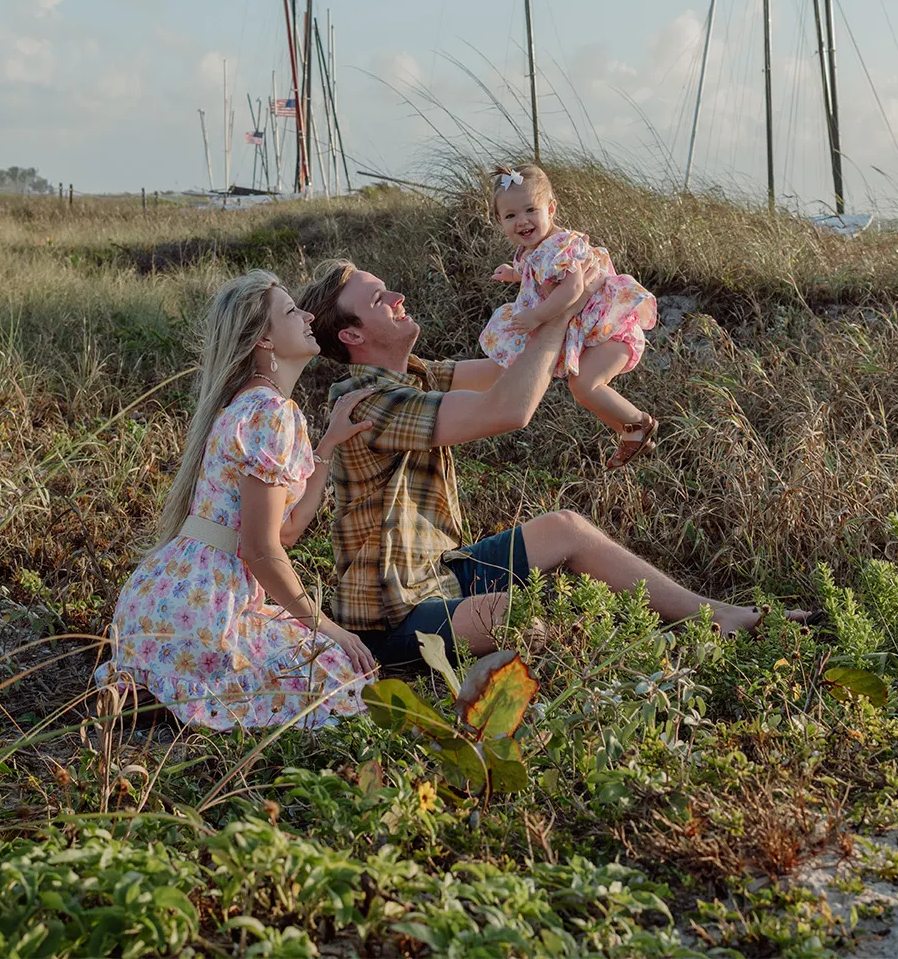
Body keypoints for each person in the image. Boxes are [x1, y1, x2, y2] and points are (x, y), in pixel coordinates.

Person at [294, 257, 807, 671]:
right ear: (353, 336)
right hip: (392, 619)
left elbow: (515, 370)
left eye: (387, 287)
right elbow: (510, 409)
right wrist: (559, 316)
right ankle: (670, 654)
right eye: (378, 299)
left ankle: (719, 616)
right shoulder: (368, 403)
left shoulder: (415, 374)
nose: (396, 297)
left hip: (441, 575)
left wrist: (573, 296)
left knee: (567, 529)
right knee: (525, 616)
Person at [95, 270, 380, 729]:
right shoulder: (270, 413)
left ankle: (159, 692)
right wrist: (328, 626)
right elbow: (262, 551)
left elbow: (283, 531)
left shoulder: (243, 406)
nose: (307, 314)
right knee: (337, 672)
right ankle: (180, 698)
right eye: (290, 311)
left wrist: (326, 448)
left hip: (159, 599)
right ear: (263, 340)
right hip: (206, 607)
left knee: (314, 658)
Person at [478, 163, 661, 468]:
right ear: (499, 222)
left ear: (551, 209)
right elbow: (537, 273)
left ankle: (638, 425)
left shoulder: (560, 246)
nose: (522, 221)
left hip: (612, 329)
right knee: (582, 387)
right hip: (597, 329)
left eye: (530, 210)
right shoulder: (534, 249)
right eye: (511, 216)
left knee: (584, 385)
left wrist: (537, 316)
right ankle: (630, 434)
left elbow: (573, 287)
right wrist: (515, 274)